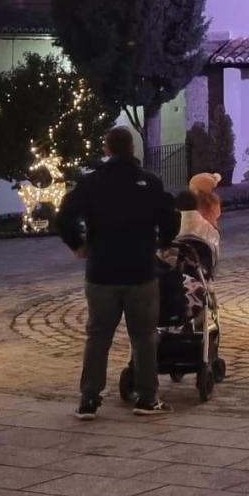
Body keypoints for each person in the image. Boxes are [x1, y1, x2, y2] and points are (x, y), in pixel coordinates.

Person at [58, 126, 179, 419]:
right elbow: (171, 217)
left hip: (101, 271)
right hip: (140, 270)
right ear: (132, 149)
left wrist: (78, 245)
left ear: (107, 149)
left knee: (98, 336)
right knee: (144, 336)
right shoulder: (149, 183)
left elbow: (63, 217)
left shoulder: (91, 183)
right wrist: (161, 243)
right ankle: (147, 398)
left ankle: (89, 399)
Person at [176, 172, 224, 266]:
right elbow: (217, 213)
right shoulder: (213, 200)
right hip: (208, 230)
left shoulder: (192, 200)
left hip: (194, 230)